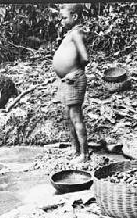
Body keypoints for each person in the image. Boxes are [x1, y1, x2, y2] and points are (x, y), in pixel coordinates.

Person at [52, 3, 89, 163]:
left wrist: (75, 71)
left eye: (64, 17)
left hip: (74, 79)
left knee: (75, 117)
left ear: (75, 17)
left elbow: (85, 57)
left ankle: (84, 154)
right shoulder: (70, 34)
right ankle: (76, 150)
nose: (62, 21)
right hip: (67, 80)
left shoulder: (76, 33)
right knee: (69, 117)